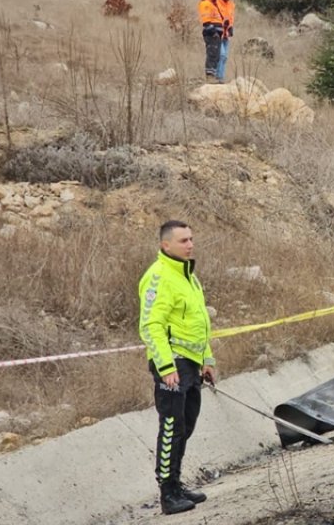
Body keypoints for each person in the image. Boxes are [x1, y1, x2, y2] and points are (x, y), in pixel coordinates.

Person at [139, 220, 214, 515]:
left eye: (191, 239)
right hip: (172, 364)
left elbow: (199, 324)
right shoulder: (158, 277)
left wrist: (207, 360)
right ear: (165, 245)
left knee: (187, 423)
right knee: (171, 427)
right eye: (183, 240)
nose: (190, 244)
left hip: (191, 364)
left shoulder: (189, 277)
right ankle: (168, 494)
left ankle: (177, 483)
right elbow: (151, 326)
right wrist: (166, 367)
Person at [197, 0, 225, 83]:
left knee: (216, 56)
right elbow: (206, 22)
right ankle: (209, 77)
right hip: (211, 34)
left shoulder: (214, 4)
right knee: (212, 54)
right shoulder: (206, 4)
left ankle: (213, 75)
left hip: (217, 35)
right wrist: (214, 33)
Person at [215, 0, 236, 83]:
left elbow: (231, 18)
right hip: (218, 32)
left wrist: (231, 28)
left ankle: (221, 77)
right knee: (221, 55)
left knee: (225, 57)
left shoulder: (231, 5)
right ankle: (217, 76)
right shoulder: (216, 4)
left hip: (226, 33)